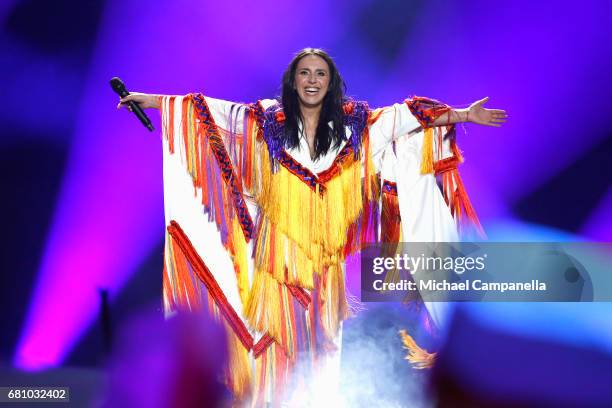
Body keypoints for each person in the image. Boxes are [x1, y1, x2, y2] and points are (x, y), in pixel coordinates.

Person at [118, 48, 506, 406]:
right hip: (275, 265)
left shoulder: (356, 126)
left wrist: (463, 115)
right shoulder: (266, 122)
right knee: (267, 355)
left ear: (331, 81)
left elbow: (406, 117)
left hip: (322, 271)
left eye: (320, 73)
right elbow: (214, 114)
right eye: (304, 72)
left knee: (319, 360)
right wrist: (152, 102)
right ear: (293, 80)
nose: (312, 79)